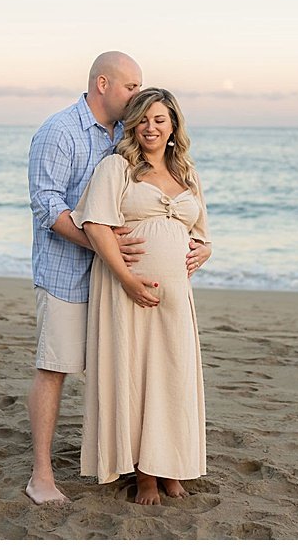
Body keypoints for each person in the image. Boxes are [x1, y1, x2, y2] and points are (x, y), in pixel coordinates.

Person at [25, 53, 212, 505]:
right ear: (103, 83)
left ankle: (152, 462)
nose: (138, 100)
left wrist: (203, 247)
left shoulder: (120, 139)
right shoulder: (61, 131)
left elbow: (188, 220)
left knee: (138, 372)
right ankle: (42, 475)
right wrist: (110, 252)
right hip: (71, 272)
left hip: (128, 286)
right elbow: (47, 205)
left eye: (153, 109)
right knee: (56, 367)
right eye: (132, 88)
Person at [72, 87, 210, 505]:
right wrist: (128, 281)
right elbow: (95, 227)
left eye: (160, 120)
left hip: (175, 299)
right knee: (136, 376)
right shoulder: (117, 167)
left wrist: (205, 249)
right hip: (127, 293)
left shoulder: (186, 172)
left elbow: (200, 232)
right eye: (144, 120)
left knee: (173, 377)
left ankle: (170, 465)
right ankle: (145, 474)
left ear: (173, 128)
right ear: (133, 125)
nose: (151, 127)